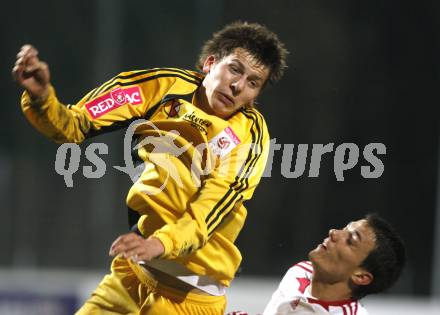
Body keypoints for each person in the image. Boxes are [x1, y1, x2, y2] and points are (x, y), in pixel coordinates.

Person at [12, 22, 288, 315]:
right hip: (132, 277)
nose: (238, 85)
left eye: (253, 82)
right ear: (210, 63)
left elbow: (209, 211)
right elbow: (74, 125)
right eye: (235, 69)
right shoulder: (163, 86)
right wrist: (43, 99)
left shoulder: (250, 135)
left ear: (255, 97)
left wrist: (161, 243)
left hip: (189, 298)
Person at [262, 214, 406, 314]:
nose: (334, 233)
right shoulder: (300, 272)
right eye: (344, 229)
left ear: (361, 276)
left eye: (350, 241)